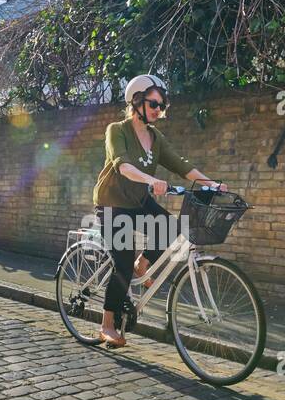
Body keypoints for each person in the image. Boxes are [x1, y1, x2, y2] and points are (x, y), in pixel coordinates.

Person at [91, 74, 226, 347]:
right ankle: (106, 325)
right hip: (112, 204)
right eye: (154, 104)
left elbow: (180, 164)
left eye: (162, 106)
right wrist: (151, 180)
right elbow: (122, 164)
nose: (158, 110)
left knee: (173, 228)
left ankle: (144, 264)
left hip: (138, 201)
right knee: (122, 261)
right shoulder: (116, 130)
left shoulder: (155, 137)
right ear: (137, 101)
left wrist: (210, 183)